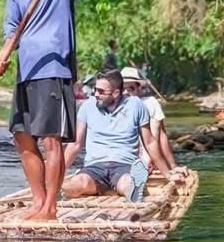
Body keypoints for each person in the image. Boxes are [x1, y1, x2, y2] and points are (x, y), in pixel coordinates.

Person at [0, 0, 87, 221]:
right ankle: (37, 201)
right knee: (21, 136)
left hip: (54, 67)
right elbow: (12, 25)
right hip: (27, 68)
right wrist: (6, 49)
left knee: (51, 139)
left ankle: (50, 207)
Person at [62, 69, 180, 203]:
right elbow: (75, 144)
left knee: (129, 184)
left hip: (124, 166)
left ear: (116, 93)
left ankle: (134, 189)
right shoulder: (88, 106)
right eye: (95, 89)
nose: (95, 94)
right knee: (76, 184)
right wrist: (57, 175)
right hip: (95, 166)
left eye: (101, 91)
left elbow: (150, 142)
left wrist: (168, 174)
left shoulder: (135, 105)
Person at [121, 66, 179, 170]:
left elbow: (162, 135)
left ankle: (152, 161)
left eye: (130, 89)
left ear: (138, 88)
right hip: (124, 157)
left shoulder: (150, 103)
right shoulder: (114, 107)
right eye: (123, 89)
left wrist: (173, 165)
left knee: (155, 125)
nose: (126, 93)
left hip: (148, 153)